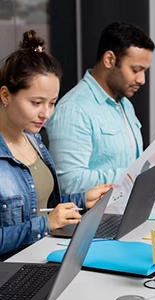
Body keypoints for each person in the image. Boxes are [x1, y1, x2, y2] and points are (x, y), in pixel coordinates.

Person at [46, 21, 155, 194]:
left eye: (144, 71)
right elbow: (69, 183)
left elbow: (126, 161)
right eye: (136, 70)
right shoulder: (74, 110)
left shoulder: (124, 103)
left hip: (128, 206)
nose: (142, 80)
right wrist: (141, 173)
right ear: (109, 60)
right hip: (96, 217)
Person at [0, 30, 112, 256]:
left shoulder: (33, 139)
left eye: (52, 103)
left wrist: (81, 200)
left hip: (42, 255)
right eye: (36, 102)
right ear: (5, 95)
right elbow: (41, 221)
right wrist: (45, 225)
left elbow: (37, 205)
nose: (46, 113)